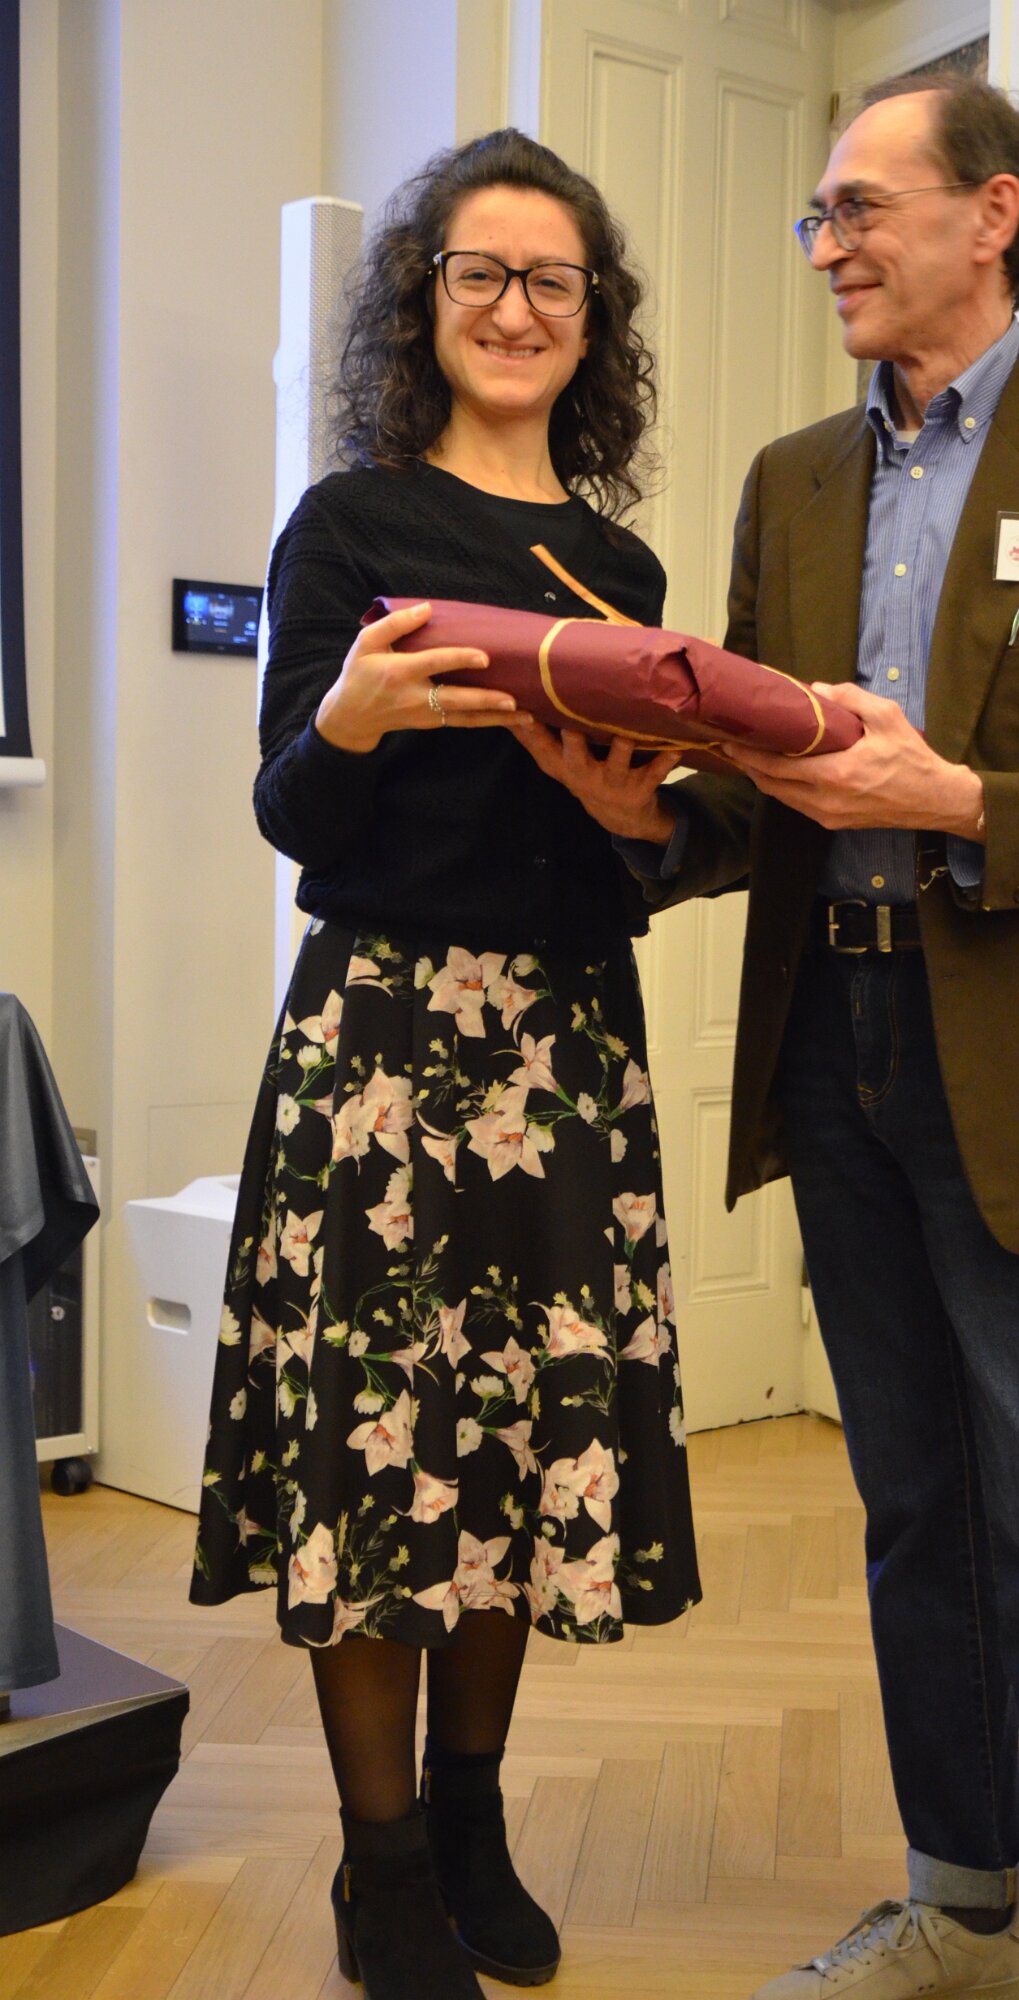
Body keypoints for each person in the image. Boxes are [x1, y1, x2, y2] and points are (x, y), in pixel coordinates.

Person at [528, 70, 1019, 2000]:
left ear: (988, 215)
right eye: (820, 216)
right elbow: (754, 789)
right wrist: (645, 819)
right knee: (913, 1512)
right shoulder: (792, 480)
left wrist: (960, 802)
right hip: (829, 1046)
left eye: (856, 207)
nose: (826, 248)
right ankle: (960, 1907)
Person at [190, 128, 700, 2000]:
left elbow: (638, 858)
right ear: (423, 305)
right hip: (386, 1044)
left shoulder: (619, 564)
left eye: (551, 280)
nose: (514, 308)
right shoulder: (346, 526)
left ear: (592, 320)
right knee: (376, 1454)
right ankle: (381, 1863)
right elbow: (290, 814)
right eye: (478, 274)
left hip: (564, 1047)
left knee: (523, 1446)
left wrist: (637, 812)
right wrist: (344, 716)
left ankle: (472, 1824)